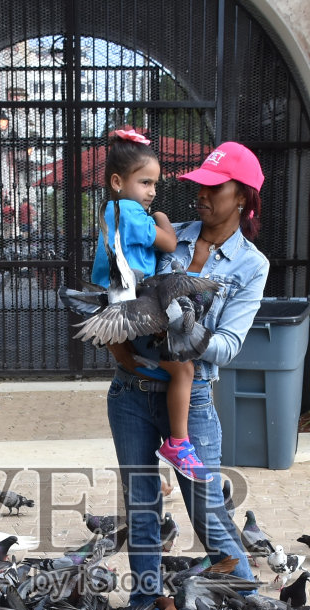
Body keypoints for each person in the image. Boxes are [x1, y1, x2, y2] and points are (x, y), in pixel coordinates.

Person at [106, 140, 270, 606]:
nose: (202, 194)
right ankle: (143, 607)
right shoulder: (167, 233)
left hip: (191, 397)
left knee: (207, 512)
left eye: (215, 188)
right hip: (132, 392)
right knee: (141, 510)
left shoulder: (251, 265)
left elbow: (229, 346)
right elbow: (121, 278)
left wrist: (188, 334)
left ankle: (252, 605)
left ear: (243, 197)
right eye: (200, 185)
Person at [90, 128, 204, 480]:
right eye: (145, 183)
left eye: (155, 184)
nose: (152, 192)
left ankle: (156, 467)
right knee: (183, 369)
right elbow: (169, 243)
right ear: (118, 182)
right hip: (134, 303)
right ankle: (178, 443)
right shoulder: (129, 212)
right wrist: (163, 219)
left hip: (122, 301)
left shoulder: (113, 211)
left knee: (147, 366)